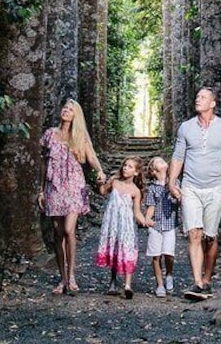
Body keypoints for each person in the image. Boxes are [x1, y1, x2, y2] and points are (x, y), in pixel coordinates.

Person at [168, 86, 221, 301]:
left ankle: (207, 278)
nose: (198, 99)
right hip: (190, 187)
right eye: (197, 96)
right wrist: (172, 182)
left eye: (203, 97)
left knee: (210, 237)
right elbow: (178, 156)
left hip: (215, 188)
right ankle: (197, 282)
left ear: (213, 103)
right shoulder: (186, 127)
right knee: (194, 234)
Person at [38, 99, 107, 296]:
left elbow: (91, 157)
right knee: (57, 232)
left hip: (74, 187)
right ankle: (62, 279)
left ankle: (72, 275)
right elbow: (44, 163)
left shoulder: (79, 136)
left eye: (71, 109)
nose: (66, 111)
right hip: (54, 187)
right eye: (65, 108)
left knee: (69, 229)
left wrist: (100, 171)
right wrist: (41, 190)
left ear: (76, 115)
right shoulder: (50, 134)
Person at [94, 156, 154, 299]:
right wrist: (100, 182)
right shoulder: (114, 182)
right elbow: (102, 191)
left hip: (127, 225)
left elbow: (137, 212)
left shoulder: (135, 191)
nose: (126, 168)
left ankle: (127, 285)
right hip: (112, 222)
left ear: (136, 172)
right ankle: (113, 282)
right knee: (114, 249)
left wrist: (146, 221)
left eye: (130, 167)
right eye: (125, 165)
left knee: (127, 250)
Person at [144, 156, 178, 297]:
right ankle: (159, 284)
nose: (162, 162)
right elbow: (151, 206)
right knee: (156, 256)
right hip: (156, 225)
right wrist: (147, 218)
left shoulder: (175, 183)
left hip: (170, 224)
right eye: (158, 161)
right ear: (153, 170)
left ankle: (169, 275)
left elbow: (178, 200)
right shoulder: (152, 188)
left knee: (169, 255)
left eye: (163, 160)